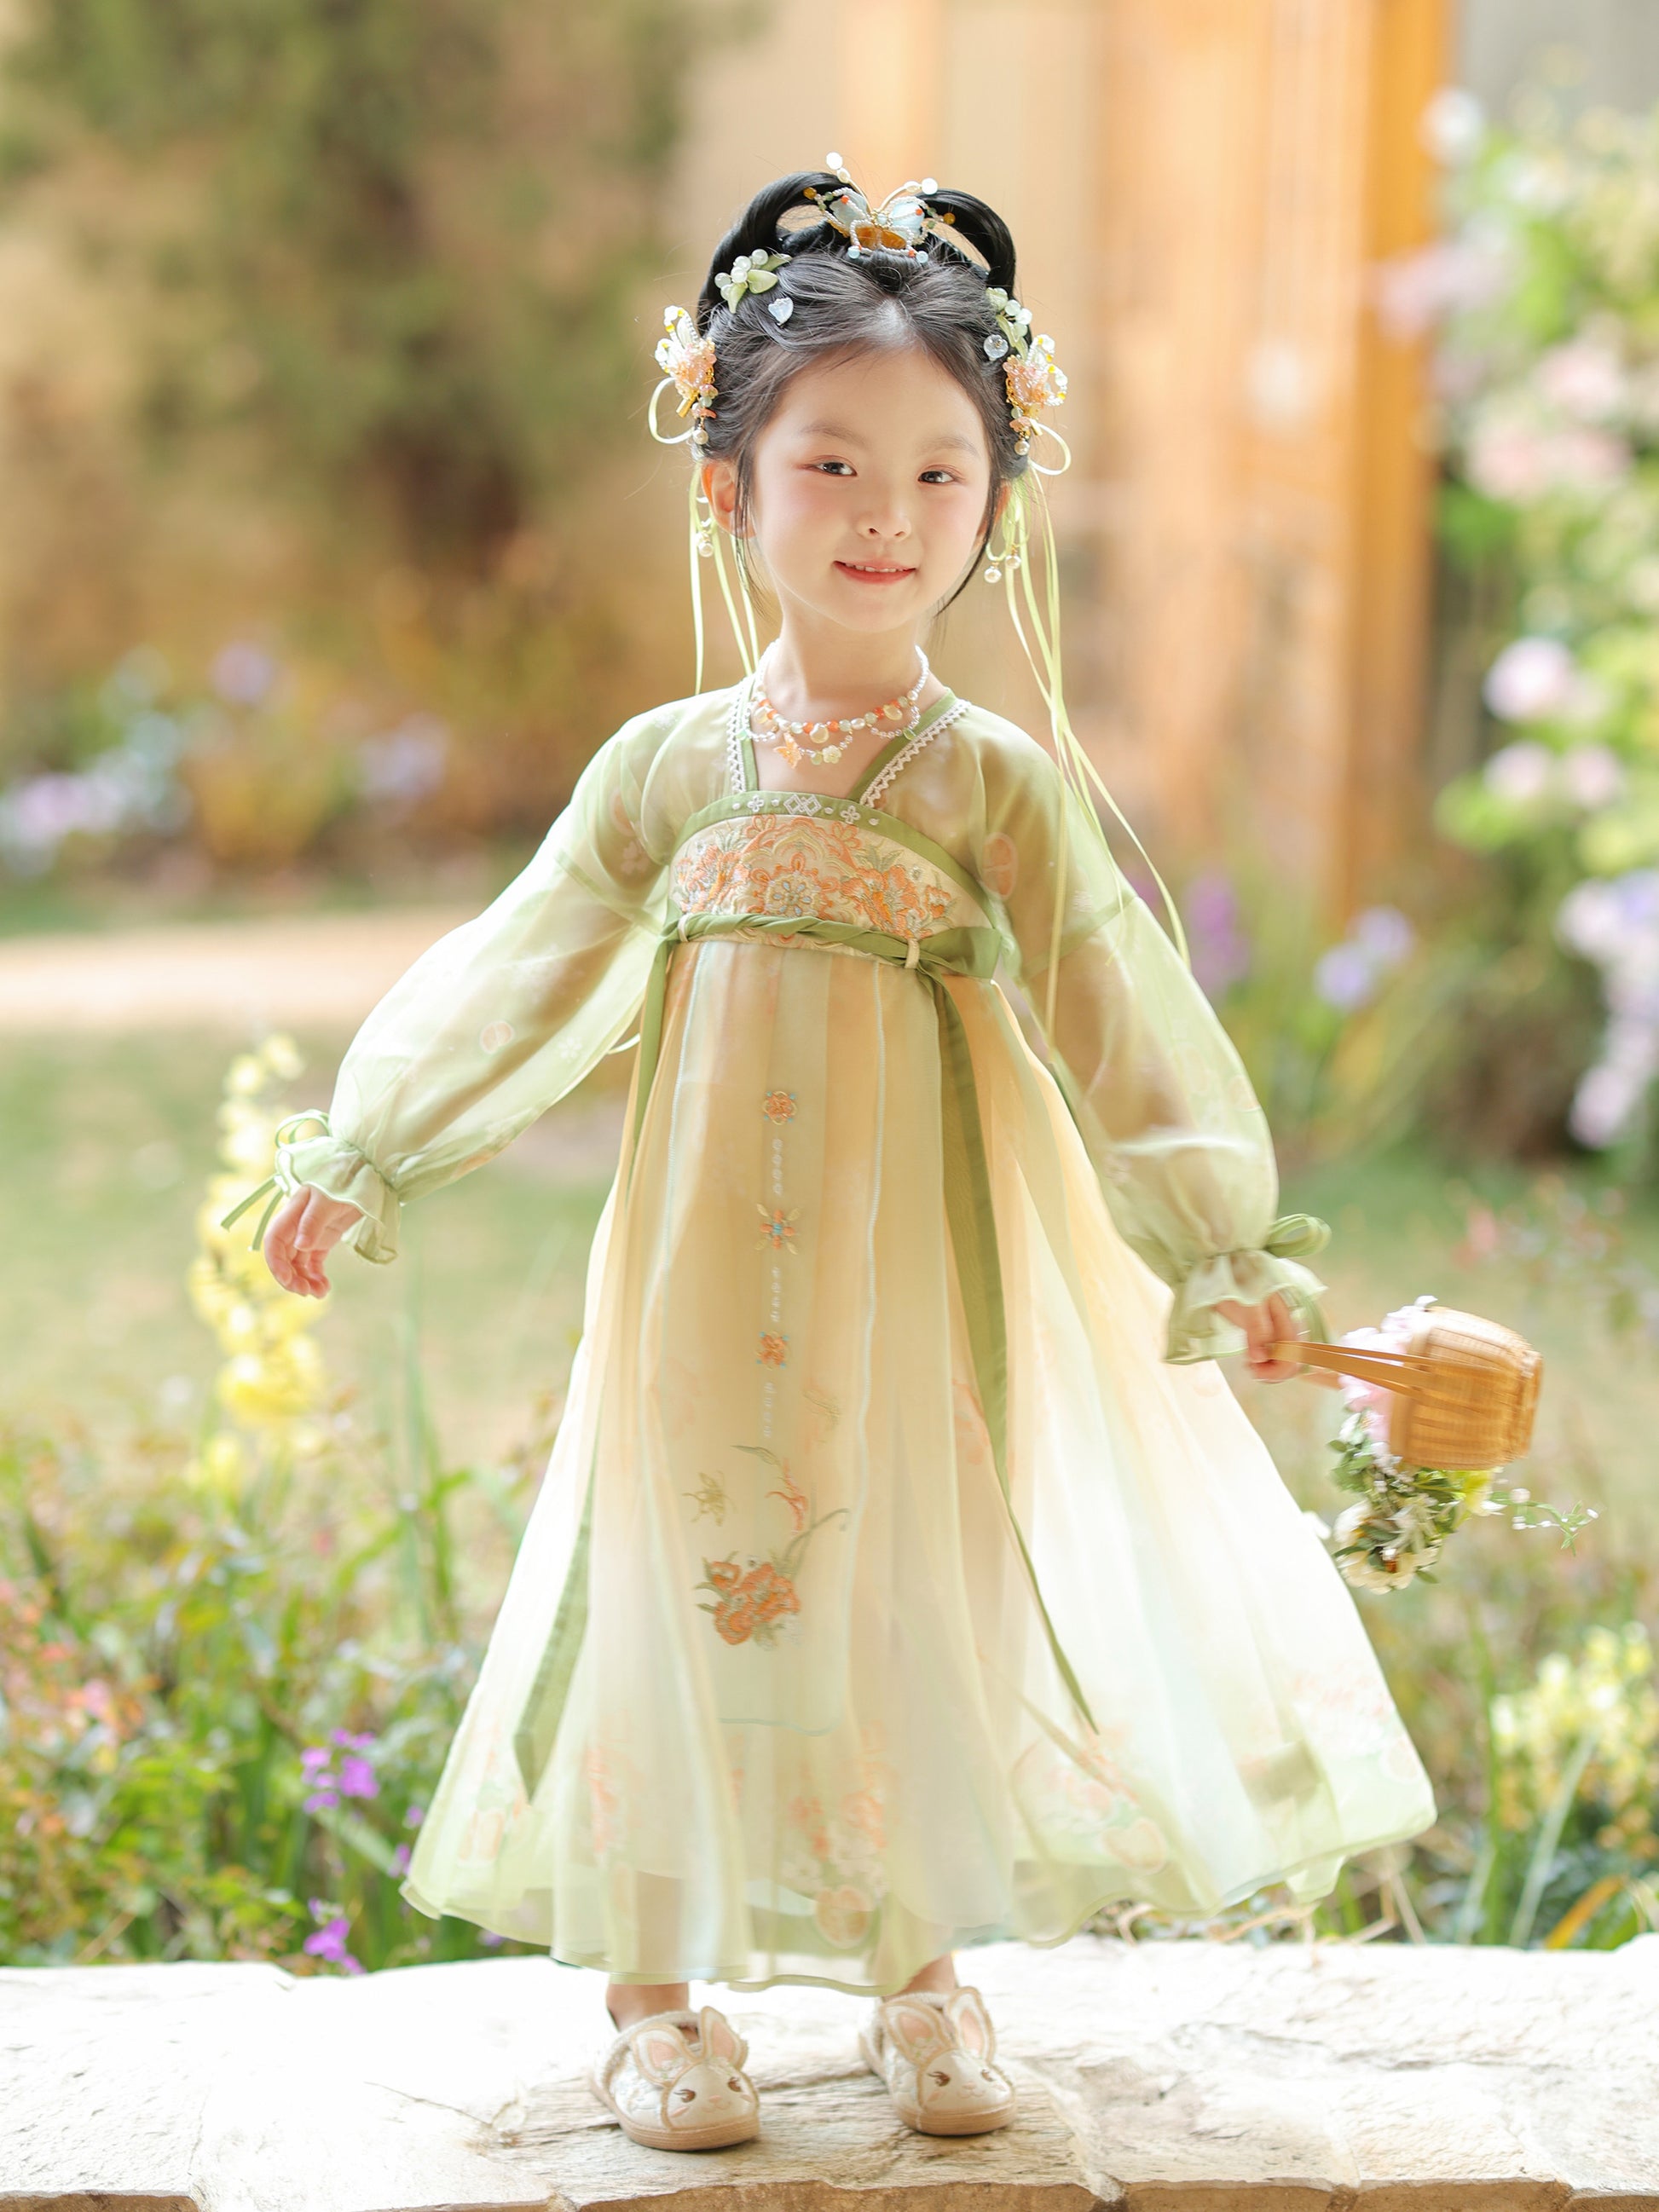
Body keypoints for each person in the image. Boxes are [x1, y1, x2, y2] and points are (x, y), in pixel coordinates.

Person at [246, 164, 1435, 2152]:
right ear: (730, 486)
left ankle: (914, 1965)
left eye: (939, 478)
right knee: (678, 1556)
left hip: (912, 1269)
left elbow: (1120, 1010)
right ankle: (650, 1992)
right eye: (830, 467)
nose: (886, 520)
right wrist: (368, 1141)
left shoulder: (991, 787)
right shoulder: (663, 768)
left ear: (995, 502)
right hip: (696, 1275)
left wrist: (1214, 1236)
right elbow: (522, 957)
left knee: (905, 1565)